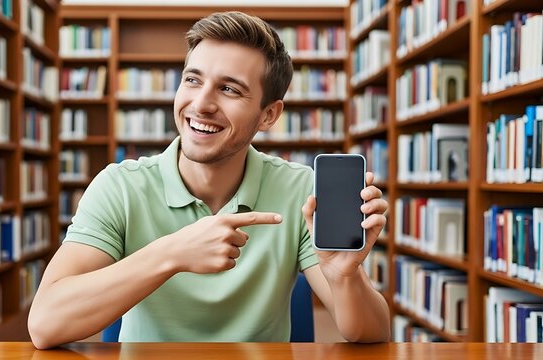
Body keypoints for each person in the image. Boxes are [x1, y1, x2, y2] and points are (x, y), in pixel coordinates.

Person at [28, 11, 389, 349]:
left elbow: (372, 336)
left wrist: (344, 277)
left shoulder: (300, 190)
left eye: (229, 89)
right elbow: (45, 325)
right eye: (192, 80)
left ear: (268, 114)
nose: (201, 104)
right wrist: (173, 253)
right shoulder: (119, 186)